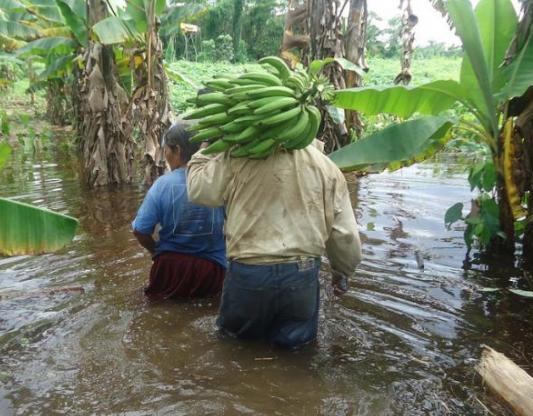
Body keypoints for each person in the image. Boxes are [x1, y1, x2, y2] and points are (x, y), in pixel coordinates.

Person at [186, 139, 362, 348]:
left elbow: (198, 191)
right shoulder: (325, 167)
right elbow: (346, 235)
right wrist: (341, 272)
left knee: (235, 350)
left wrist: (209, 147)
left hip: (249, 272)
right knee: (297, 357)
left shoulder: (237, 156)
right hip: (301, 276)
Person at [132, 121, 227, 300]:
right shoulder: (218, 180)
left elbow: (140, 231)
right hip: (212, 269)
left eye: (166, 149)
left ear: (176, 150)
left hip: (169, 269)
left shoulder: (162, 185)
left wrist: (155, 252)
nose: (165, 154)